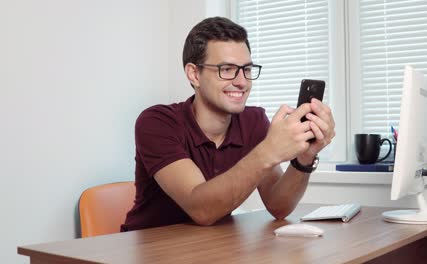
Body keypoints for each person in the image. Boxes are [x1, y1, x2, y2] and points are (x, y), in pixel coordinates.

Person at [121, 16, 335, 231]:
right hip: (150, 251)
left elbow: (278, 207)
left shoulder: (253, 121)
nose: (242, 82)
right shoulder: (156, 122)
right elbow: (201, 209)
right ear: (194, 74)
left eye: (247, 69)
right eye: (227, 69)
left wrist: (304, 159)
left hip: (210, 248)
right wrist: (270, 151)